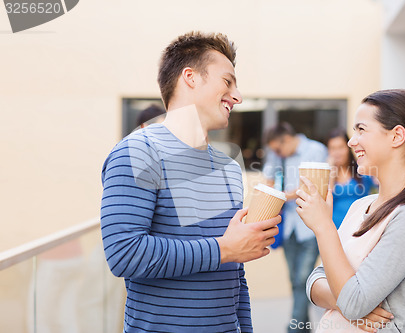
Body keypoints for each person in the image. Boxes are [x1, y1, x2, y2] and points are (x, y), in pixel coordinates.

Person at [100, 31, 281, 333]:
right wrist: (224, 248)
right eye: (227, 82)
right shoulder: (138, 151)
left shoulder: (227, 168)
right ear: (190, 77)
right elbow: (124, 254)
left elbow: (234, 276)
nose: (237, 97)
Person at [297, 89, 405, 333]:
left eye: (361, 129)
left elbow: (353, 302)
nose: (351, 141)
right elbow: (314, 282)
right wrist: (346, 301)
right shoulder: (361, 206)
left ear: (397, 136)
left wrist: (323, 226)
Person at [262, 122, 328, 333]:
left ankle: (294, 328)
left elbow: (311, 188)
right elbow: (268, 179)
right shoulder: (277, 153)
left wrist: (281, 196)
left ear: (287, 140)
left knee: (302, 280)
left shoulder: (315, 150)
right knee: (295, 281)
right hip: (288, 227)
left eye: (278, 149)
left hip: (309, 226)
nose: (276, 153)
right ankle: (303, 328)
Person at [327, 128, 377, 229]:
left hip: (359, 227)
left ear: (348, 148)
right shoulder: (328, 175)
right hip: (335, 228)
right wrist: (331, 171)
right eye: (333, 148)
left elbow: (380, 183)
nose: (337, 153)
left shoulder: (362, 170)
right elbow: (326, 198)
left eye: (340, 147)